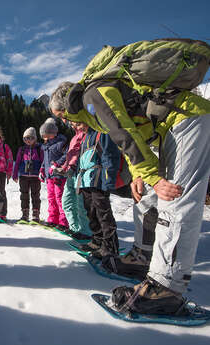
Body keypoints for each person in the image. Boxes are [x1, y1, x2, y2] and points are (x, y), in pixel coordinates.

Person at [50, 79, 210, 315]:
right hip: (160, 129)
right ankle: (141, 257)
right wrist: (139, 175)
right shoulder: (92, 109)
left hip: (185, 119)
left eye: (62, 115)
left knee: (175, 199)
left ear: (68, 103)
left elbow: (123, 133)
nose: (65, 121)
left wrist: (153, 177)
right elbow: (131, 135)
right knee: (144, 197)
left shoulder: (94, 98)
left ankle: (167, 289)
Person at [75, 129, 123, 258]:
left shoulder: (102, 133)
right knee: (90, 212)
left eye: (77, 121)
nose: (74, 124)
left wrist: (108, 181)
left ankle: (110, 246)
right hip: (86, 180)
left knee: (103, 213)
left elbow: (110, 156)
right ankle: (97, 240)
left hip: (99, 179)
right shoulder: (85, 137)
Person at [60, 121, 91, 240]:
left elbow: (80, 154)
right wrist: (64, 168)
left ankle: (85, 231)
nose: (71, 124)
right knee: (67, 201)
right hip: (70, 173)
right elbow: (70, 155)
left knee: (80, 203)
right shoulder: (74, 137)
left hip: (80, 172)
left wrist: (73, 166)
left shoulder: (86, 135)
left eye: (74, 122)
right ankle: (75, 228)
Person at [38, 117, 69, 229]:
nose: (43, 137)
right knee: (51, 197)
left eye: (45, 135)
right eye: (42, 135)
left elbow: (67, 155)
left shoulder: (61, 143)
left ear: (52, 133)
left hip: (58, 175)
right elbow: (45, 161)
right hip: (49, 176)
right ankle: (53, 219)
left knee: (59, 197)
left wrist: (57, 163)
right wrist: (42, 169)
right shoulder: (46, 146)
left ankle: (63, 222)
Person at [12, 127, 44, 223]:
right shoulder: (22, 150)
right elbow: (17, 162)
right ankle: (25, 214)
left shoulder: (39, 149)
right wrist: (15, 174)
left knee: (35, 195)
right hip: (23, 176)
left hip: (35, 177)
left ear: (35, 138)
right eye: (26, 138)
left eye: (30, 138)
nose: (28, 140)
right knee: (24, 195)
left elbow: (43, 162)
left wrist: (43, 172)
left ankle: (35, 215)